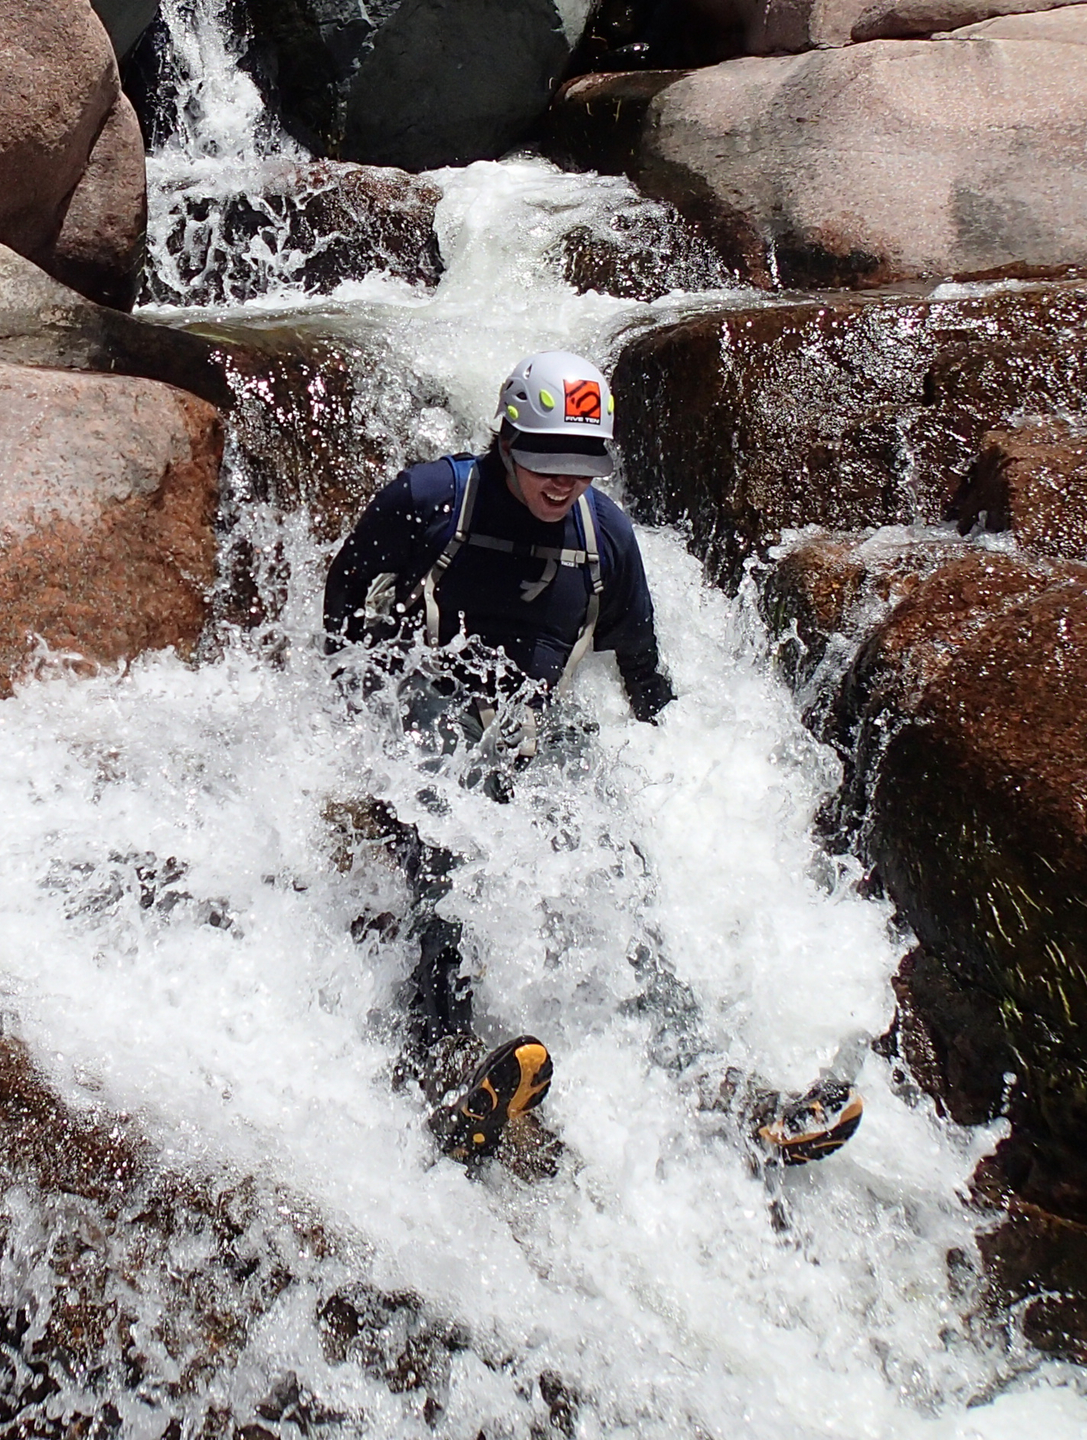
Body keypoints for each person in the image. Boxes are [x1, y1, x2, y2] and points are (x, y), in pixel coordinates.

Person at [325, 351, 861, 1171]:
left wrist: (674, 741)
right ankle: (443, 1050)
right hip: (423, 706)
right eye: (548, 459)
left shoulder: (603, 534)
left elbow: (642, 662)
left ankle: (715, 1082)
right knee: (446, 827)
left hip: (534, 726)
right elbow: (346, 595)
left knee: (621, 870)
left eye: (582, 462)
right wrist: (357, 717)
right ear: (507, 439)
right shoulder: (430, 498)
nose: (564, 480)